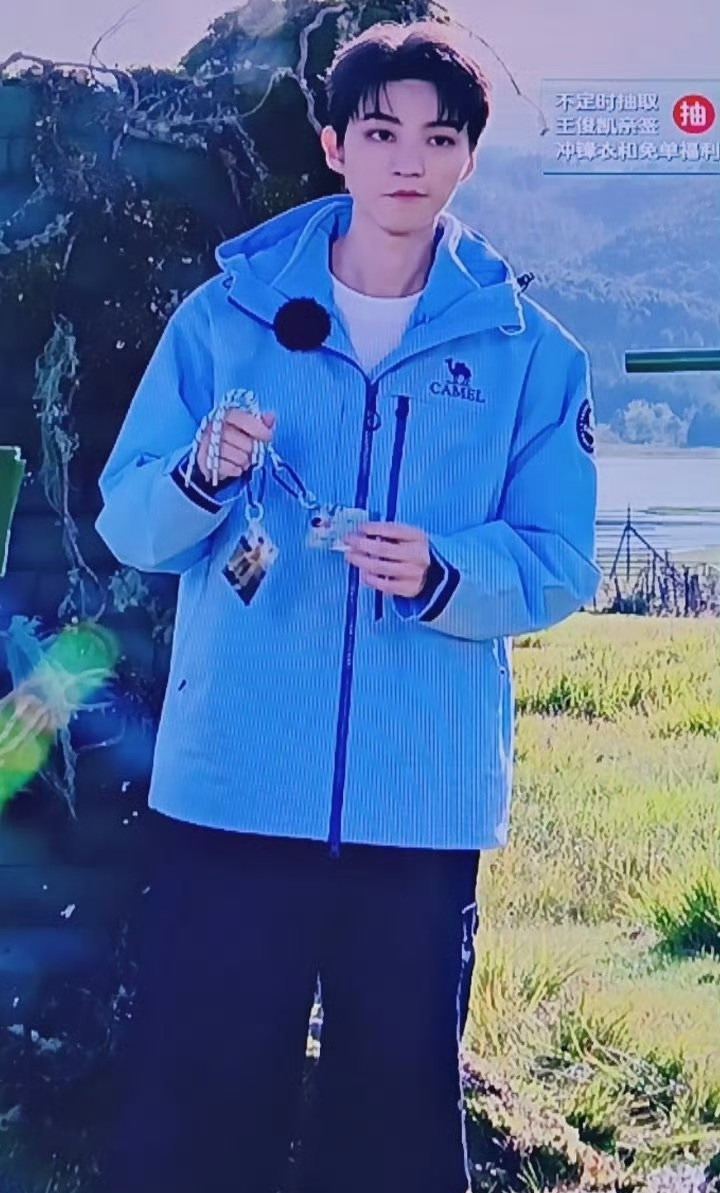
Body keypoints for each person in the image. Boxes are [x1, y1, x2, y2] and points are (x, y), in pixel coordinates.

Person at [94, 19, 600, 1193]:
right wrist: (200, 474)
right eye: (379, 132)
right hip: (232, 786)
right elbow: (130, 522)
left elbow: (560, 559)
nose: (408, 160)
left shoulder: (532, 352)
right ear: (332, 144)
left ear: (469, 154)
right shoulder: (224, 318)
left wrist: (441, 568)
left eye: (439, 136)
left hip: (420, 803)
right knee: (199, 1112)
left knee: (394, 1122)